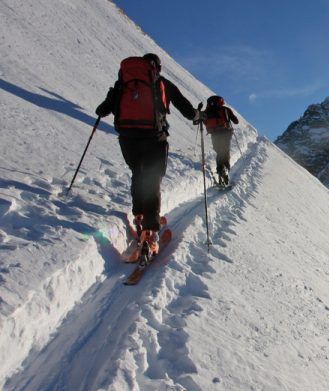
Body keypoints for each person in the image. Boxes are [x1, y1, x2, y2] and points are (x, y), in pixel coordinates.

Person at [95, 53, 204, 258]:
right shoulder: (161, 83)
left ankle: (139, 215)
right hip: (154, 138)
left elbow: (102, 109)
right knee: (152, 179)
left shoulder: (123, 84)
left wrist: (107, 106)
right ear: (156, 68)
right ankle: (150, 232)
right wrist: (198, 116)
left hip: (127, 138)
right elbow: (187, 109)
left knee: (138, 173)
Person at [203, 95, 239, 186]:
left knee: (219, 151)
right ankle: (226, 170)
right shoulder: (225, 110)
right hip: (225, 132)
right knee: (225, 151)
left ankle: (220, 171)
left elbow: (202, 120)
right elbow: (236, 121)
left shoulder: (207, 111)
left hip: (214, 134)